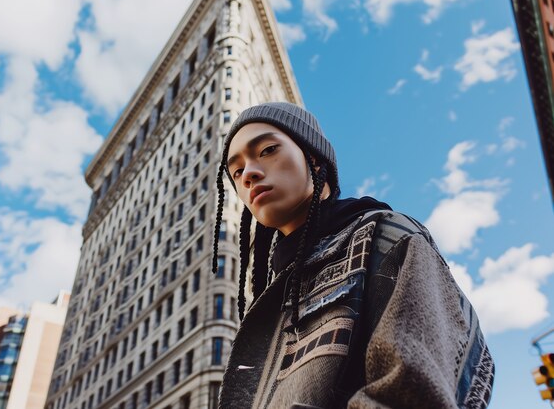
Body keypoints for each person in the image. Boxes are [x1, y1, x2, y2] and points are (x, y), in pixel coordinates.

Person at [210, 102, 494, 409]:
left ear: (315, 159)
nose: (249, 174)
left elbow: (416, 391)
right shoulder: (270, 294)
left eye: (267, 150)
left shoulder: (388, 237)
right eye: (236, 171)